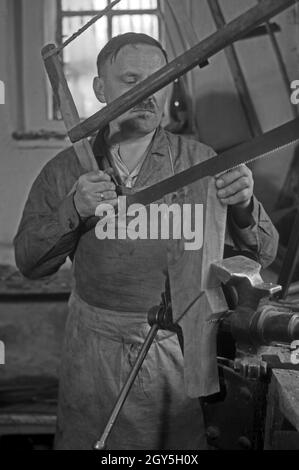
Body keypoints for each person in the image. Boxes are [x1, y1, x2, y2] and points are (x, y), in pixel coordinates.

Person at [14, 33, 278, 450]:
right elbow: (30, 262)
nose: (148, 92)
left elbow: (263, 254)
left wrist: (244, 205)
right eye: (131, 79)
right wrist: (73, 208)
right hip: (93, 354)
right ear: (101, 89)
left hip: (178, 353)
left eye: (161, 79)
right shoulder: (65, 172)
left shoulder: (200, 163)